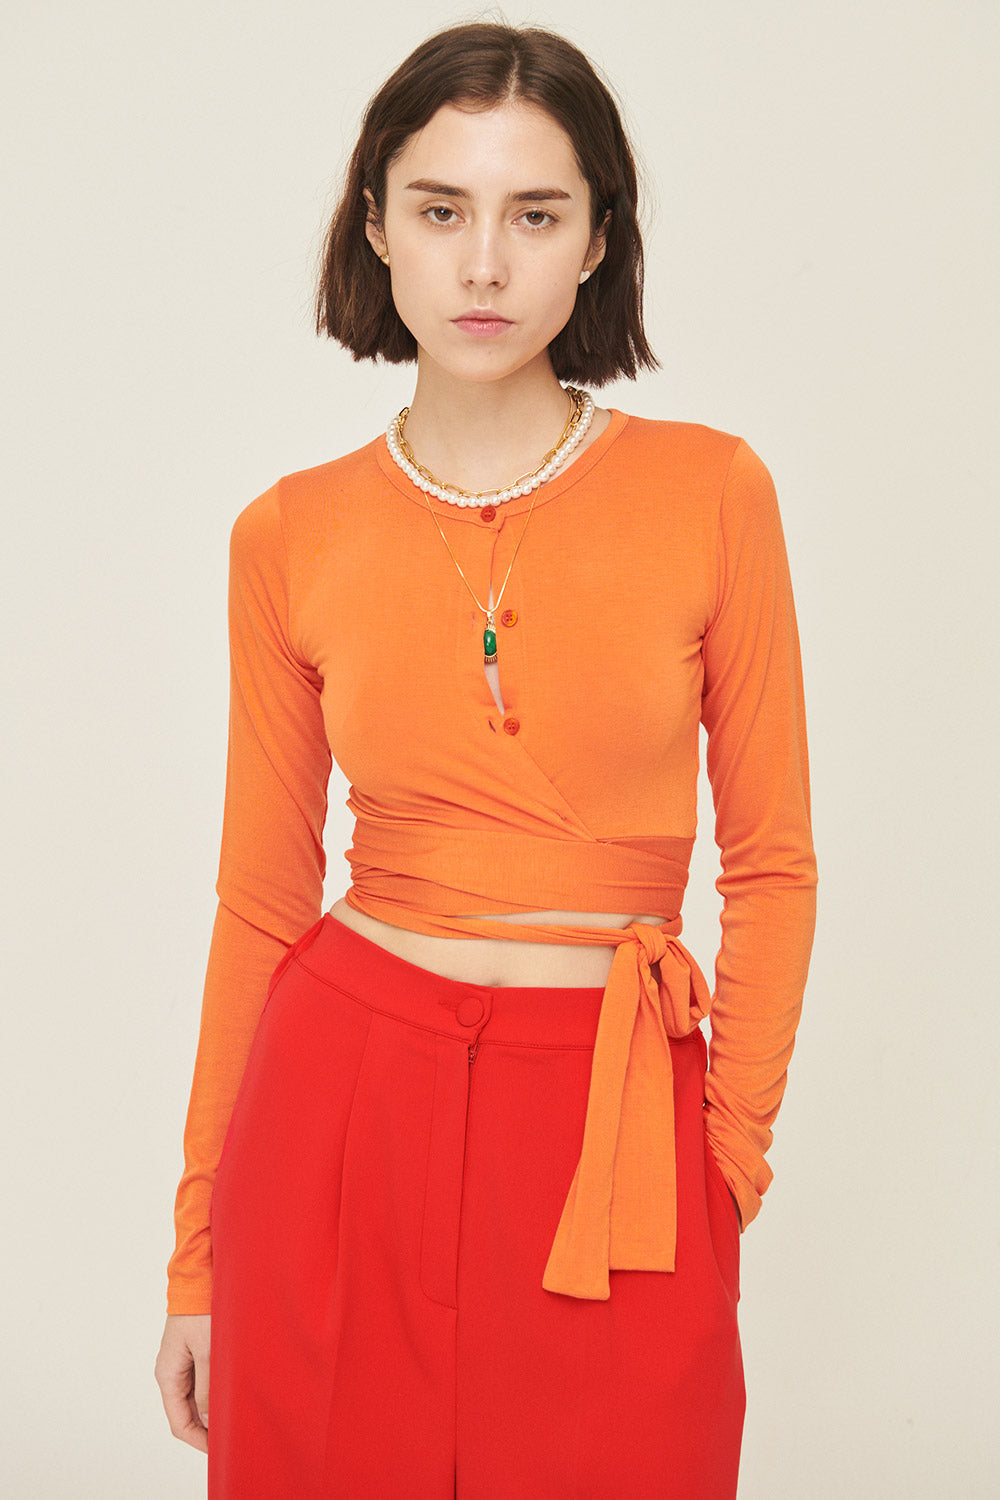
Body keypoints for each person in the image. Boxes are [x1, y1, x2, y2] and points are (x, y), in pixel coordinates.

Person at [154, 20, 817, 1499]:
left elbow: (772, 864)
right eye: (442, 208)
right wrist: (196, 1254)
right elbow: (260, 904)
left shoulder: (711, 493)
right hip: (339, 1110)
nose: (485, 263)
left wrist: (725, 1163)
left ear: (598, 242)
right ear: (376, 224)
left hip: (614, 1126)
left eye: (536, 214)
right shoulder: (289, 534)